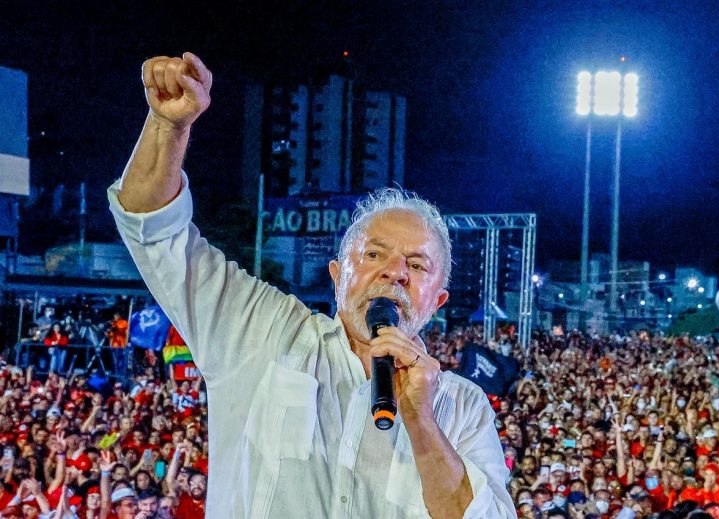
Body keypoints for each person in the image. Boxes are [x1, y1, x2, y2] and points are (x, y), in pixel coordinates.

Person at [107, 52, 514, 518]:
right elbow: (153, 231)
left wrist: (421, 422)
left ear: (436, 300)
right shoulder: (260, 330)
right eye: (375, 254)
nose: (395, 272)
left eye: (417, 266)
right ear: (339, 275)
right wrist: (167, 126)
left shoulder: (462, 408)